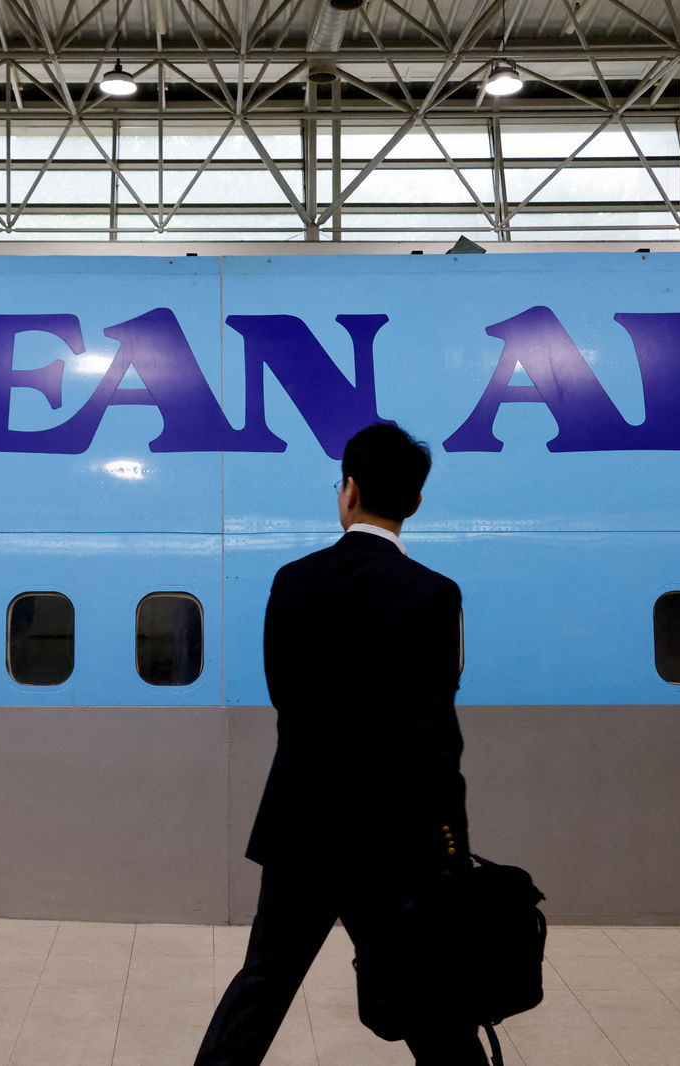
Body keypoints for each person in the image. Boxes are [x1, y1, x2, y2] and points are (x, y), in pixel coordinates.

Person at [194, 421, 485, 1066]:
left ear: (347, 491)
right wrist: (450, 848)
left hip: (302, 828)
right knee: (428, 1001)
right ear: (413, 502)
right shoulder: (434, 595)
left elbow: (286, 698)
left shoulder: (294, 581)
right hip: (393, 839)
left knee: (263, 985)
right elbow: (437, 738)